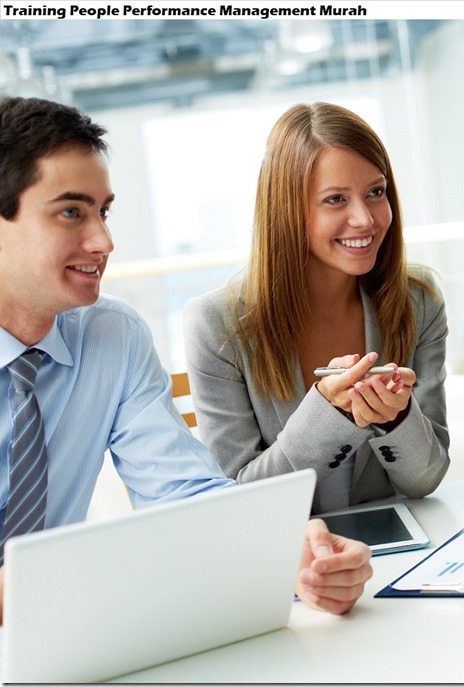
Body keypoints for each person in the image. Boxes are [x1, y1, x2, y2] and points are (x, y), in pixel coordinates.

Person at [0, 96, 373, 623]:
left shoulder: (112, 336)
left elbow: (181, 490)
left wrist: (286, 547)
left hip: (52, 635)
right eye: (70, 212)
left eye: (103, 211)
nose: (104, 241)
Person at [183, 103, 449, 515]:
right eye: (335, 199)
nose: (364, 218)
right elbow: (239, 499)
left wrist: (396, 420)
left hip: (394, 551)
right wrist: (327, 414)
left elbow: (425, 479)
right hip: (285, 561)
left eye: (375, 193)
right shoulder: (217, 324)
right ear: (287, 211)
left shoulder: (418, 299)